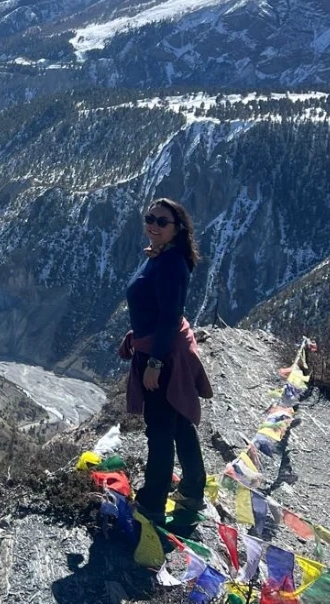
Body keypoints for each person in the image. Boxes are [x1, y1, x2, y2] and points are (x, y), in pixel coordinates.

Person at [117, 197, 215, 526]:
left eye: (162, 221)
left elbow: (170, 316)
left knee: (159, 429)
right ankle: (192, 490)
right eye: (150, 218)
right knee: (179, 423)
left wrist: (155, 363)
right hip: (161, 345)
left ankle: (152, 504)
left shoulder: (171, 263)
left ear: (178, 228)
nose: (153, 225)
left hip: (163, 353)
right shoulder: (162, 255)